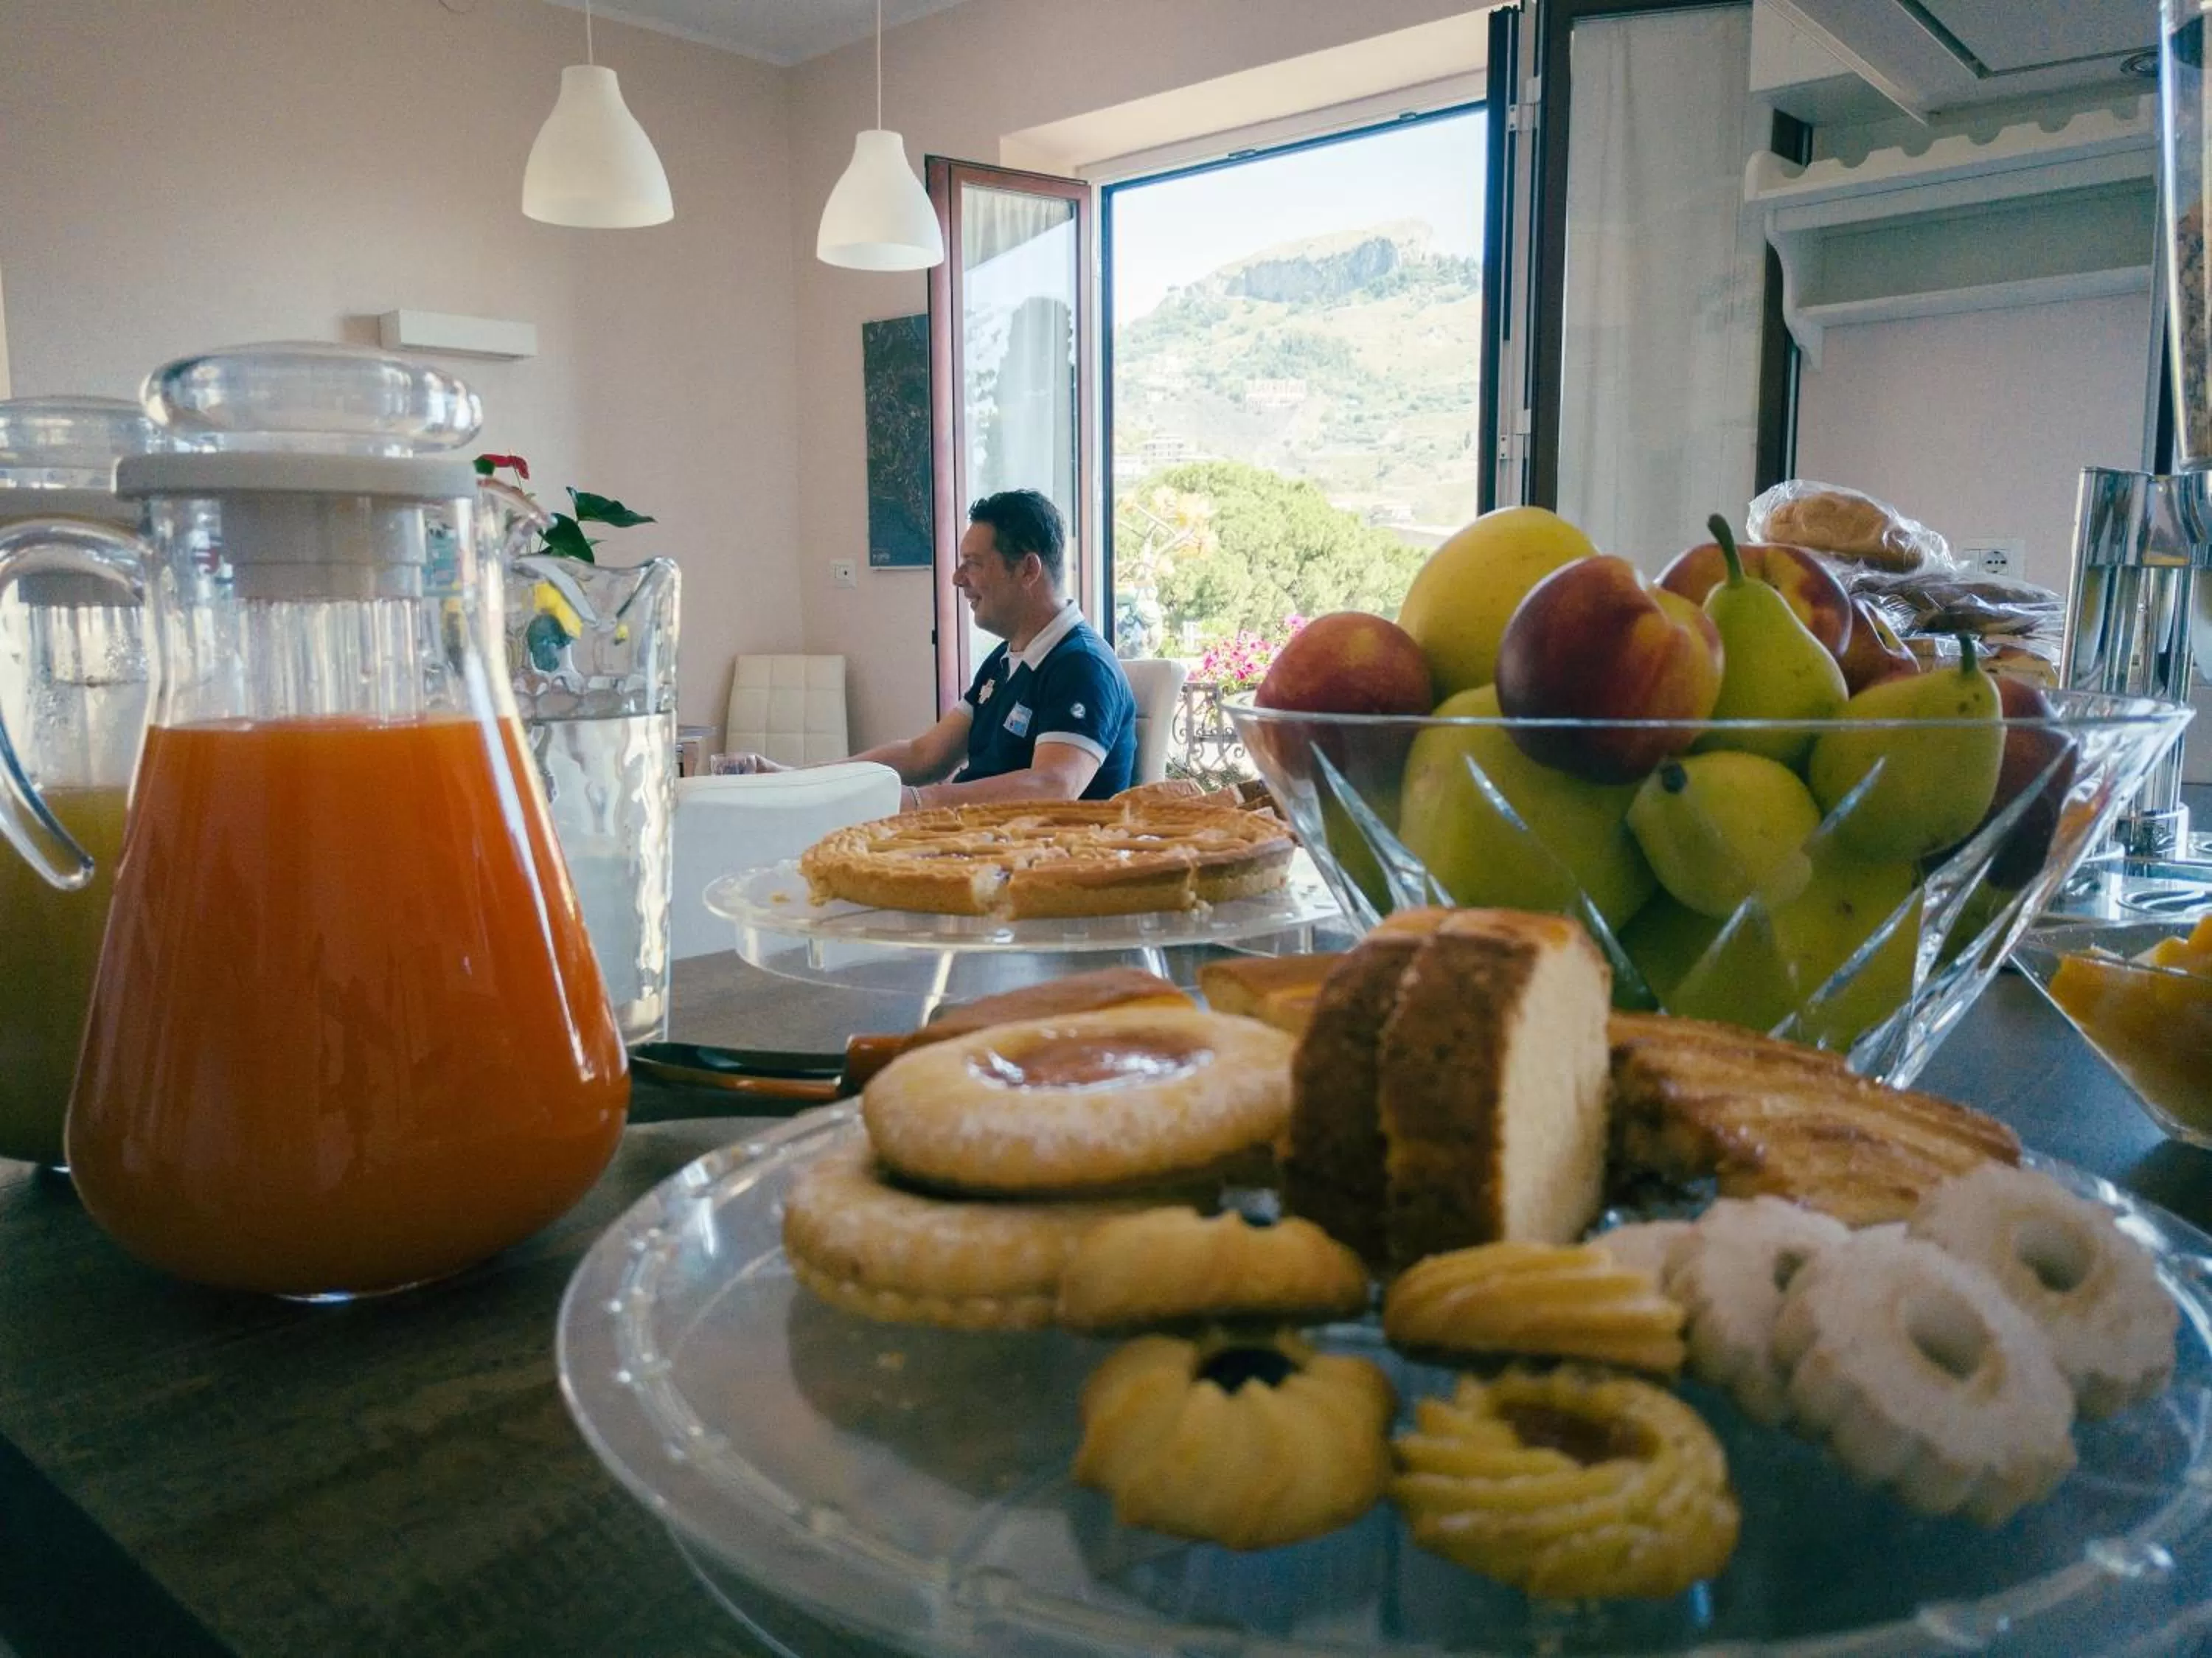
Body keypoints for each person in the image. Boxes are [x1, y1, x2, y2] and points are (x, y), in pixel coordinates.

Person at [727, 490, 1136, 810]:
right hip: (976, 850)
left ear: (1028, 569)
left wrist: (920, 804)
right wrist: (800, 781)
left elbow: (1054, 786)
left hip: (1034, 876)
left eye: (973, 563)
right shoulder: (1007, 659)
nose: (958, 578)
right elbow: (924, 756)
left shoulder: (1082, 665)